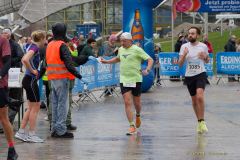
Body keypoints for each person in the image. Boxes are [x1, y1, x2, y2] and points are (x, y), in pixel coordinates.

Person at [100, 32, 153, 135]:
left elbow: (150, 59)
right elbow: (118, 58)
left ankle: (138, 115)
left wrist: (147, 69)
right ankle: (131, 125)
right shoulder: (120, 49)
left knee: (137, 103)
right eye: (121, 41)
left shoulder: (137, 49)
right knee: (127, 102)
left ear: (130, 41)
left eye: (124, 41)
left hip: (136, 79)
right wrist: (107, 62)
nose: (122, 43)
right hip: (124, 79)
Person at [46, 23, 83, 138]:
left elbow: (45, 63)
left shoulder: (50, 44)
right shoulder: (62, 45)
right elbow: (69, 63)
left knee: (55, 103)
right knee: (63, 104)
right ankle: (61, 130)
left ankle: (54, 129)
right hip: (62, 79)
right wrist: (79, 75)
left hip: (52, 79)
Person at [15, 30, 46, 143]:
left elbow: (25, 59)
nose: (46, 40)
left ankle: (21, 132)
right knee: (35, 108)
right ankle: (31, 134)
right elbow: (25, 59)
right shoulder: (35, 47)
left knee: (30, 107)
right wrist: (33, 70)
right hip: (31, 80)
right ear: (42, 38)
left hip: (28, 80)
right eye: (45, 38)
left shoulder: (30, 45)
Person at [177, 27, 209, 134]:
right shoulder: (184, 47)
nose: (190, 35)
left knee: (200, 96)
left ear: (197, 35)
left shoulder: (203, 46)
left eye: (193, 33)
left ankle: (203, 121)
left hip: (200, 73)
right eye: (189, 33)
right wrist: (184, 55)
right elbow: (180, 64)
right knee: (194, 100)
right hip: (189, 75)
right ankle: (199, 121)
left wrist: (205, 57)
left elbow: (207, 61)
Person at [0, 29, 24, 133]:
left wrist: (9, 62)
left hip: (13, 74)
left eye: (6, 33)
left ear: (10, 35)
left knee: (14, 99)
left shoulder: (14, 45)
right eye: (3, 32)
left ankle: (8, 121)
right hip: (5, 76)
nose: (4, 34)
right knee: (6, 100)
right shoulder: (2, 42)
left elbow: (20, 55)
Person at [0, 34, 18, 159]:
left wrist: (0, 75)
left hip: (0, 85)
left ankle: (12, 149)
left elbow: (7, 61)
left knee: (3, 117)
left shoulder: (3, 41)